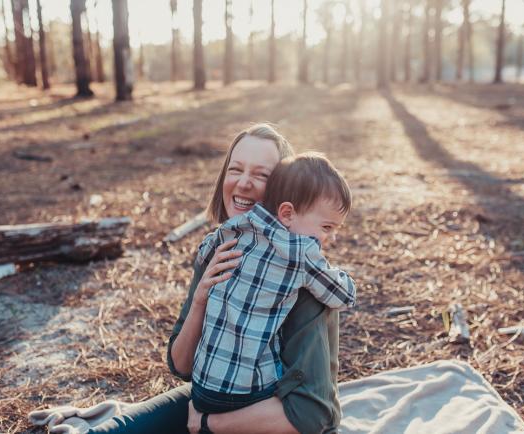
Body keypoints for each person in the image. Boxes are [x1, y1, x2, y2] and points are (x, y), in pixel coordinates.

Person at [88, 124, 343, 434]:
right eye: (235, 169)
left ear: (285, 194)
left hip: (275, 418)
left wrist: (209, 424)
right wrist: (200, 301)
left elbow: (312, 412)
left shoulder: (302, 274)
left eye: (261, 175)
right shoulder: (221, 248)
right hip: (217, 397)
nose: (244, 183)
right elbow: (181, 366)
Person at [191, 153, 357, 421]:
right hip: (245, 394)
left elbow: (206, 249)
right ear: (287, 213)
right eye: (326, 227)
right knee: (302, 402)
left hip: (201, 386)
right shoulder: (300, 251)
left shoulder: (240, 224)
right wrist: (337, 273)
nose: (330, 237)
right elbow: (343, 296)